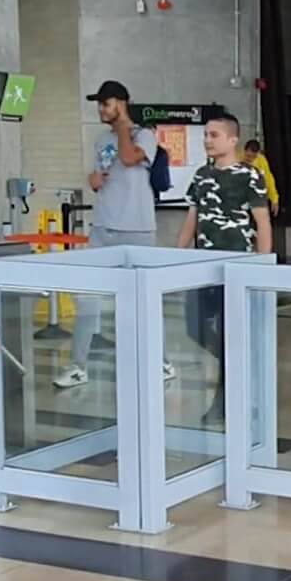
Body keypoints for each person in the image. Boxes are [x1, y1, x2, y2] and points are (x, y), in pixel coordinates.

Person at [56, 79, 172, 388]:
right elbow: (101, 174)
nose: (101, 109)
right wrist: (93, 179)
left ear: (121, 103)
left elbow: (130, 158)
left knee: (144, 299)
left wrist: (123, 124)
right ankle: (78, 365)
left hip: (137, 229)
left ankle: (161, 361)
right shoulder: (99, 140)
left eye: (107, 104)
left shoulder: (144, 136)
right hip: (103, 227)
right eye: (100, 104)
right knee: (88, 298)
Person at [178, 112, 272, 422]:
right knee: (195, 327)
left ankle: (227, 399)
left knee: (231, 332)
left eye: (214, 135)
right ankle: (236, 369)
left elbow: (262, 221)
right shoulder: (202, 176)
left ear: (233, 140)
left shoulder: (249, 176)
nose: (207, 140)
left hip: (236, 267)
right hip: (201, 266)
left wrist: (261, 266)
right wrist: (176, 259)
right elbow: (192, 219)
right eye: (206, 134)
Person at [243, 138, 280, 214]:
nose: (250, 159)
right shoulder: (236, 159)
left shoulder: (261, 161)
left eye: (254, 157)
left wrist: (274, 199)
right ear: (245, 151)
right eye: (248, 156)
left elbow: (269, 180)